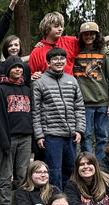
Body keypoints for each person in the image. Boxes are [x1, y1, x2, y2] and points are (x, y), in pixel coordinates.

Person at [33, 47, 85, 190]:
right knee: (54, 172)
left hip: (71, 136)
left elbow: (79, 107)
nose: (59, 61)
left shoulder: (72, 80)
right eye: (55, 59)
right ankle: (55, 202)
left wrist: (79, 129)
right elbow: (35, 111)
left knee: (71, 170)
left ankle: (69, 202)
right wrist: (39, 135)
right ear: (48, 62)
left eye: (62, 58)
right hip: (51, 135)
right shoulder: (39, 82)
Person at [0, 55, 33, 205]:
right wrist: (4, 141)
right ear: (8, 70)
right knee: (6, 176)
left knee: (23, 176)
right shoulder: (2, 90)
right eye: (14, 67)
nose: (18, 69)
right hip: (9, 138)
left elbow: (32, 113)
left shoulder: (27, 89)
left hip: (26, 136)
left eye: (20, 67)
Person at [74, 22, 109, 160]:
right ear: (81, 36)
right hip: (83, 103)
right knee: (85, 135)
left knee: (102, 136)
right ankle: (88, 162)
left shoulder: (104, 51)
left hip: (102, 102)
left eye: (92, 34)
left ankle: (100, 166)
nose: (89, 36)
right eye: (85, 34)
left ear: (97, 35)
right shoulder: (75, 51)